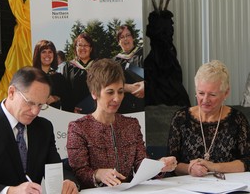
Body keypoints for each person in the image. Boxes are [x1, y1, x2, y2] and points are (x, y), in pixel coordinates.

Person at [0, 66, 79, 193]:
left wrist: (67, 181)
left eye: (41, 105)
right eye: (30, 102)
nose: (35, 111)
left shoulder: (44, 127)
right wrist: (10, 191)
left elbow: (55, 167)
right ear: (11, 92)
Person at [67, 58, 177, 189]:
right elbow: (78, 173)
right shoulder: (78, 128)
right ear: (94, 93)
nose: (117, 98)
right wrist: (97, 174)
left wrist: (159, 166)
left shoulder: (131, 125)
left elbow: (141, 163)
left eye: (120, 91)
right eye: (110, 92)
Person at [167, 60, 250, 177]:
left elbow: (247, 162)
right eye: (201, 93)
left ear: (226, 93)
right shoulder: (181, 118)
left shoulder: (237, 119)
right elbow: (171, 163)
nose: (205, 100)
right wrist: (190, 169)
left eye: (212, 95)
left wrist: (213, 166)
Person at [114, 24, 145, 113]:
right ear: (118, 41)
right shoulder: (114, 62)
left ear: (133, 37)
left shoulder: (144, 53)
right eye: (122, 37)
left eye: (128, 35)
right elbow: (109, 84)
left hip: (144, 107)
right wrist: (129, 88)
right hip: (123, 108)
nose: (125, 39)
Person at [63, 32, 96, 114]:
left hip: (96, 110)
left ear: (91, 48)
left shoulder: (98, 65)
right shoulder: (69, 66)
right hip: (75, 111)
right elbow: (65, 91)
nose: (83, 48)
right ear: (75, 48)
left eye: (86, 45)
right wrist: (71, 108)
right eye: (80, 45)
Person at [33, 40, 71, 111]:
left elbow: (67, 99)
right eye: (43, 52)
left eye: (50, 52)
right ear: (38, 54)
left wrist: (55, 98)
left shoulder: (59, 78)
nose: (47, 55)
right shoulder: (30, 76)